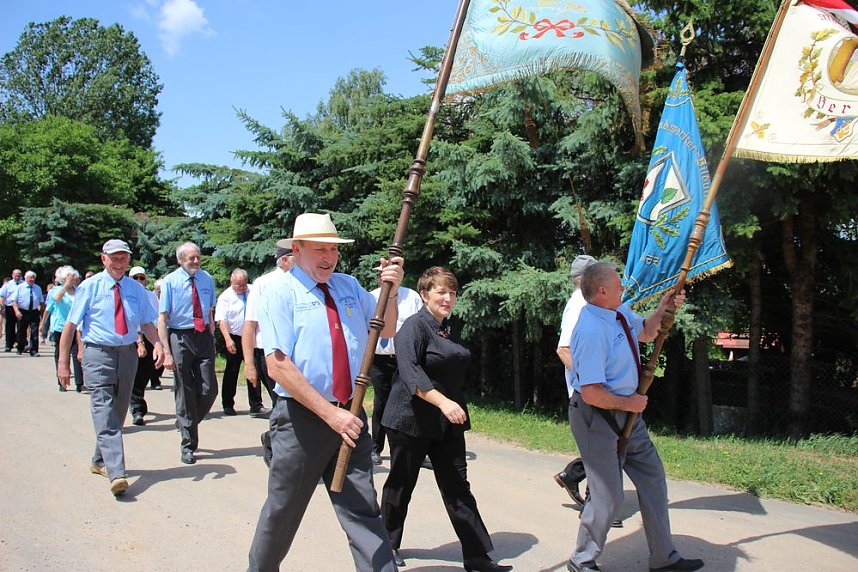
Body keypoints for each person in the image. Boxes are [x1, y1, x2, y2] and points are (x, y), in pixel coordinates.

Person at [248, 212, 402, 572]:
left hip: (350, 415)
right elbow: (278, 365)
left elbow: (388, 329)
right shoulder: (277, 292)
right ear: (296, 250)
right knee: (283, 511)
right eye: (319, 249)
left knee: (363, 510)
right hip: (303, 421)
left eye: (332, 249)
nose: (328, 257)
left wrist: (390, 293)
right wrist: (331, 415)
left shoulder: (348, 286)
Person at [565, 262, 701, 572]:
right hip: (596, 417)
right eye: (618, 284)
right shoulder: (590, 330)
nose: (623, 288)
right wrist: (631, 403)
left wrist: (664, 309)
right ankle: (581, 560)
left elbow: (647, 332)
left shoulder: (619, 312)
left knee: (652, 477)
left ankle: (664, 558)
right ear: (602, 291)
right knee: (608, 495)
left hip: (628, 412)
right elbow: (592, 393)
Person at [380, 266, 513, 572]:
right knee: (401, 484)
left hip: (446, 423)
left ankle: (477, 556)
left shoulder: (449, 329)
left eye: (452, 292)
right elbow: (411, 371)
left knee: (457, 486)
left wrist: (451, 405)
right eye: (441, 291)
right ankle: (387, 544)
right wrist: (442, 402)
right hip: (409, 420)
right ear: (425, 294)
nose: (448, 298)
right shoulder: (413, 327)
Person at [57, 239, 164, 497]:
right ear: (103, 259)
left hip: (127, 354)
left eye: (123, 258)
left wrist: (159, 344)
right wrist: (63, 364)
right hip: (98, 353)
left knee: (118, 409)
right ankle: (117, 472)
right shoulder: (90, 287)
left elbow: (147, 323)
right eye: (114, 258)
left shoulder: (135, 289)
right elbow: (70, 326)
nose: (119, 263)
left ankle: (98, 459)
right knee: (103, 407)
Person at [158, 242, 218, 465]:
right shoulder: (170, 282)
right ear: (180, 260)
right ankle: (188, 444)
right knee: (185, 390)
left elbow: (210, 310)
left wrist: (212, 335)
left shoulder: (206, 279)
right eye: (191, 258)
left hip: (202, 336)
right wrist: (166, 351)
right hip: (179, 336)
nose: (195, 261)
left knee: (209, 389)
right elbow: (162, 317)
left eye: (197, 257)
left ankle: (186, 422)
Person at [242, 246, 293, 466]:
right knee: (283, 404)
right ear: (283, 260)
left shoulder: (305, 282)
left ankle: (272, 438)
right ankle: (276, 448)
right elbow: (250, 325)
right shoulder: (263, 284)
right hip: (270, 354)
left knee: (292, 408)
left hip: (296, 354)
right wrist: (249, 364)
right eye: (295, 255)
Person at [368, 268, 424, 466]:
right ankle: (375, 448)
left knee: (408, 403)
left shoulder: (413, 297)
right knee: (382, 403)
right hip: (379, 360)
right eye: (382, 274)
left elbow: (421, 325)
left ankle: (407, 449)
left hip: (405, 359)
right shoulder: (372, 297)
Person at [216, 268, 267, 416]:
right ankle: (228, 404)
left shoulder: (252, 291)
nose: (242, 287)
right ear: (232, 281)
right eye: (239, 284)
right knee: (232, 371)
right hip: (235, 338)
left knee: (254, 369)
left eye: (244, 283)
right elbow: (222, 321)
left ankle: (256, 405)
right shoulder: (226, 297)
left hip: (252, 336)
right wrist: (227, 339)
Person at [42, 266, 83, 392]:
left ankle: (79, 383)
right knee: (61, 354)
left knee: (78, 354)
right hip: (61, 327)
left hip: (77, 327)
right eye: (67, 277)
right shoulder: (57, 290)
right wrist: (66, 286)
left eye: (72, 277)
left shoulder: (79, 290)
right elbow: (56, 299)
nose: (71, 279)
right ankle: (62, 382)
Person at [128, 266, 160, 426]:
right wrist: (138, 341)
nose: (139, 281)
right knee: (131, 374)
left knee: (144, 373)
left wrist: (158, 343)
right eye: (135, 278)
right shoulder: (126, 295)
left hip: (149, 336)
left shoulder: (151, 297)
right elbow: (131, 321)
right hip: (130, 338)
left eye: (141, 277)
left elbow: (155, 319)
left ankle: (134, 400)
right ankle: (137, 409)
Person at [12, 270, 44, 356]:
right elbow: (14, 301)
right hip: (22, 311)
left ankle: (33, 350)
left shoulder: (38, 288)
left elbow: (41, 302)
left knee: (34, 332)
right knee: (21, 331)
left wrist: (41, 313)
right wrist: (17, 311)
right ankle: (20, 348)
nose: (32, 279)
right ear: (25, 278)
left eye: (33, 277)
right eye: (30, 277)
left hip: (34, 312)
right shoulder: (20, 287)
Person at [0, 269, 23, 351]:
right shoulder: (7, 285)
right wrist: (2, 308)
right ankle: (9, 345)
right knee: (10, 326)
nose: (17, 276)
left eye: (19, 275)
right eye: (15, 275)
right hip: (9, 307)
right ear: (12, 275)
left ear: (21, 275)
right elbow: (3, 296)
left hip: (20, 308)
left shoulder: (24, 284)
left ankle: (21, 344)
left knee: (21, 327)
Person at [149, 279, 164, 390]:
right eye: (159, 290)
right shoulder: (151, 297)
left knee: (161, 353)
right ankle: (155, 380)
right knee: (151, 356)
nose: (160, 292)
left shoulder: (165, 297)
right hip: (150, 329)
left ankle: (156, 376)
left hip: (162, 328)